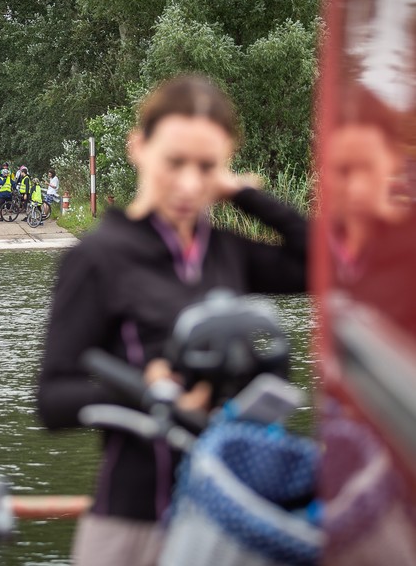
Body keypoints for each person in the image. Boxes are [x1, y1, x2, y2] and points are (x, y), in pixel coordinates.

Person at [37, 76, 307, 566]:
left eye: (205, 167)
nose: (188, 184)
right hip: (133, 524)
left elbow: (329, 267)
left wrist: (246, 196)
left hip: (227, 519)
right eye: (175, 162)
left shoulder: (225, 252)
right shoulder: (99, 258)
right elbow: (52, 400)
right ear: (138, 147)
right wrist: (150, 390)